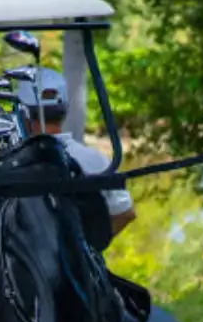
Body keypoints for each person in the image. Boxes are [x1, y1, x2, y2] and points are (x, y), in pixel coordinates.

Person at [15, 67, 136, 237]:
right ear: (64, 110)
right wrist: (87, 251)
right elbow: (125, 212)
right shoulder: (96, 161)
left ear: (23, 113)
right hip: (75, 261)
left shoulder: (10, 164)